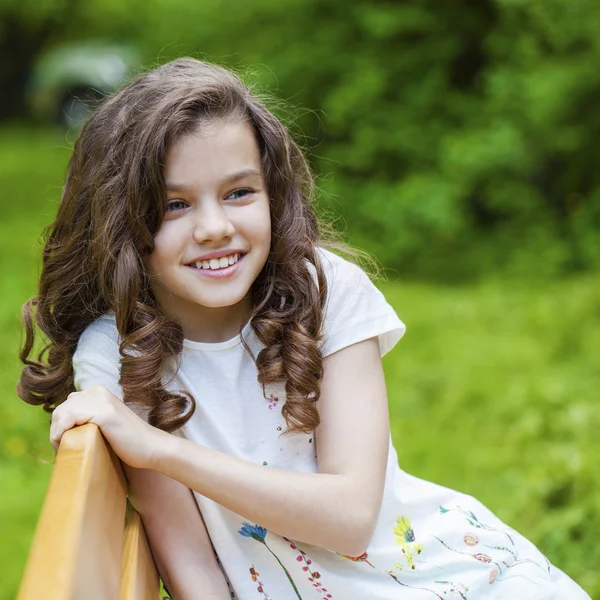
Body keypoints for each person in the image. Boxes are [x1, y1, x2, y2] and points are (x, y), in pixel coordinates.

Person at [18, 58, 590, 600]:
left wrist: (159, 451)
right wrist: (150, 451)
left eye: (239, 192)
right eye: (174, 205)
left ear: (272, 191)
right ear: (120, 221)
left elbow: (350, 519)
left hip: (456, 578)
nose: (215, 227)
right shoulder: (116, 352)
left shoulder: (326, 289)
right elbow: (193, 568)